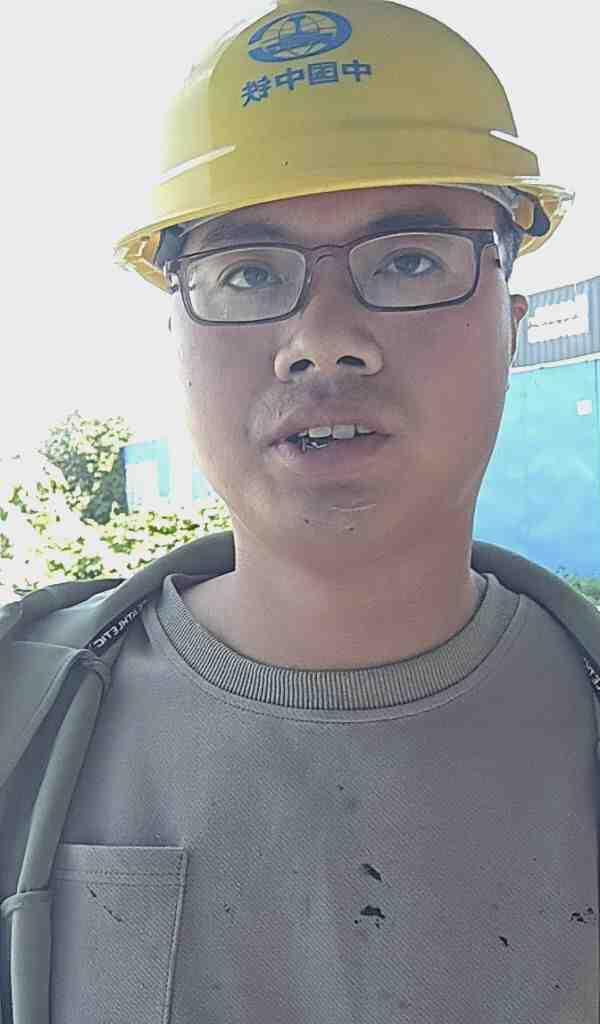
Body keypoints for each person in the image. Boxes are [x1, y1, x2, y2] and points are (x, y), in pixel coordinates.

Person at [4, 2, 599, 1022]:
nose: (324, 339)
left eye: (409, 259)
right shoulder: (21, 718)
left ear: (512, 328)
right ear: (174, 344)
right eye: (247, 272)